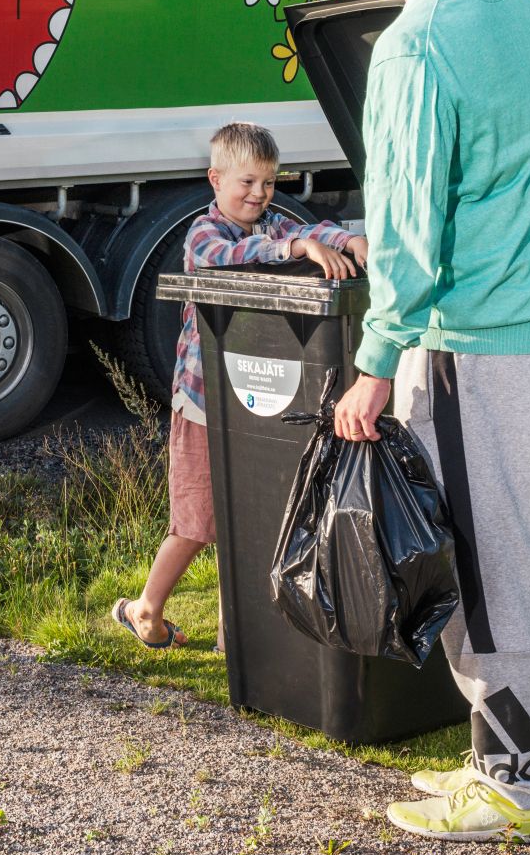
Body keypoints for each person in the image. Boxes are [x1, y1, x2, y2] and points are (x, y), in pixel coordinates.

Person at [324, 0, 530, 843]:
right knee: (521, 550)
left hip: (475, 335)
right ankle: (491, 755)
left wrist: (373, 361)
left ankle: (514, 783)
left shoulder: (413, 45)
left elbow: (407, 227)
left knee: (485, 564)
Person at [112, 121, 366, 649]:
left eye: (269, 184)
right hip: (204, 402)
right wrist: (297, 248)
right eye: (247, 183)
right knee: (197, 521)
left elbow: (315, 229)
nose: (259, 195)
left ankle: (240, 638)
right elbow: (230, 259)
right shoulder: (204, 234)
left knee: (254, 519)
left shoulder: (275, 222)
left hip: (250, 401)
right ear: (215, 180)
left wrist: (347, 239)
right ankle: (145, 608)